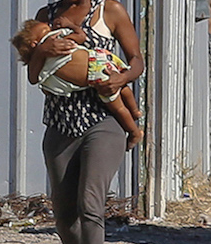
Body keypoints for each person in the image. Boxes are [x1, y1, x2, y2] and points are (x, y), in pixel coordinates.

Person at [29, 0, 143, 244]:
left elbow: (137, 59)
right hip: (60, 122)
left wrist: (121, 79)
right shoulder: (47, 17)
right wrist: (43, 50)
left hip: (103, 119)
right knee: (64, 213)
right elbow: (33, 75)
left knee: (90, 203)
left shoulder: (110, 11)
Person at [12, 16, 145, 147]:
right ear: (35, 43)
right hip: (98, 68)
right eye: (46, 30)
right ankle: (134, 123)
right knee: (120, 98)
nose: (51, 29)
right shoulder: (50, 47)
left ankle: (134, 122)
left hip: (98, 64)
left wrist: (70, 26)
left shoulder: (59, 42)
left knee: (119, 101)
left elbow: (81, 37)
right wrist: (69, 28)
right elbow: (81, 36)